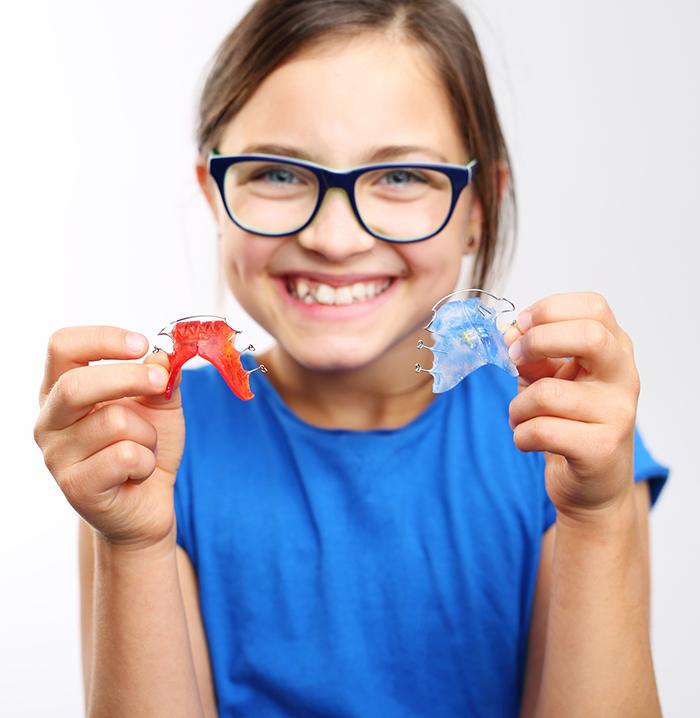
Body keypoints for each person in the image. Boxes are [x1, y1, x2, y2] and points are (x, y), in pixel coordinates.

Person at [33, 1, 670, 716]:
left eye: (400, 177)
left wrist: (599, 514)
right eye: (277, 174)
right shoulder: (149, 450)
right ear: (215, 194)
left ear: (478, 207)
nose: (335, 239)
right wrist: (135, 544)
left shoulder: (568, 443)